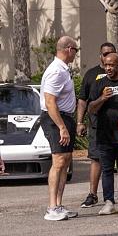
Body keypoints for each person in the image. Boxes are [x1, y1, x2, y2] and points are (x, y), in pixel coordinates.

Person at [76, 42, 118, 207]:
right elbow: (90, 106)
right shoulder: (98, 82)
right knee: (105, 168)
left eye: (111, 65)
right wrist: (102, 98)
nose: (108, 68)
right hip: (103, 133)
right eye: (106, 65)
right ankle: (107, 201)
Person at [39, 36, 79, 221]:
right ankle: (51, 207)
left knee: (65, 160)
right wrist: (61, 127)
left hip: (65, 118)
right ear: (69, 49)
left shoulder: (63, 69)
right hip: (56, 118)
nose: (76, 54)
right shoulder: (56, 71)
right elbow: (50, 102)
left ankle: (59, 205)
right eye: (76, 50)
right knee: (58, 161)